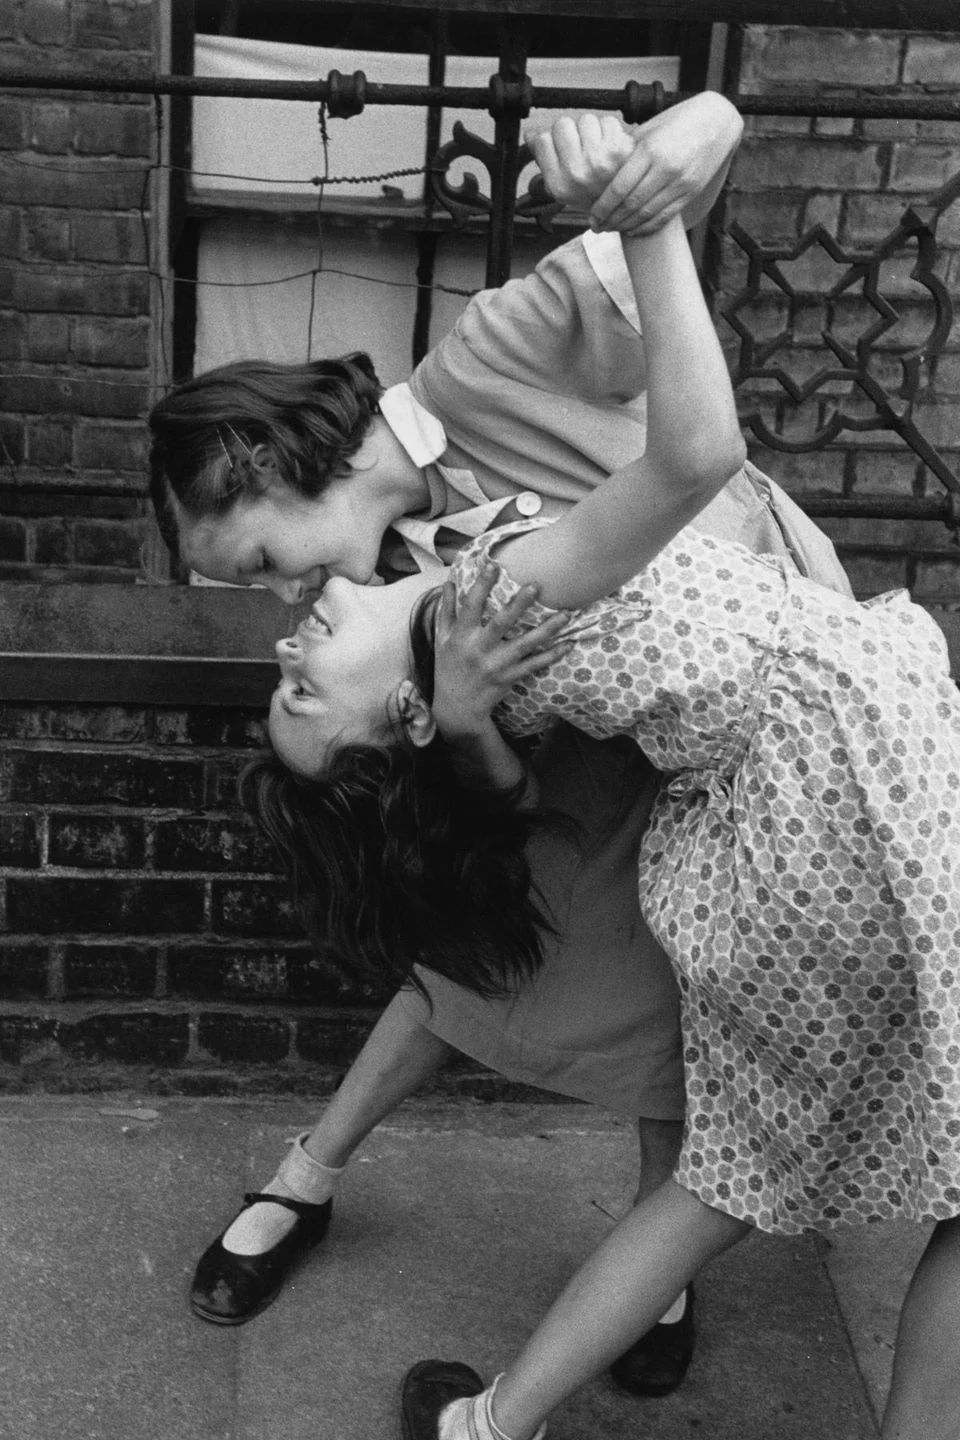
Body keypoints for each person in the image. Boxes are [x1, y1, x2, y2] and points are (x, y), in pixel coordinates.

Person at [246, 118, 960, 1440]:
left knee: (721, 1184)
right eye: (298, 688)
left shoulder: (462, 624)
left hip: (801, 821)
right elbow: (690, 460)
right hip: (849, 785)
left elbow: (490, 769)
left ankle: (487, 1428)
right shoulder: (482, 599)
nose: (283, 636)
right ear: (402, 711)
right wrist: (648, 220)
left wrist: (687, 144)